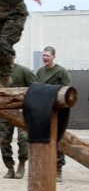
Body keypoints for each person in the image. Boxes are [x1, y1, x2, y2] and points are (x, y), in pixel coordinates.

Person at [0, 58, 38, 179]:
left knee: (23, 139)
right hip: (5, 112)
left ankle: (22, 163)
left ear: (14, 56)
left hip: (22, 112)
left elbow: (36, 87)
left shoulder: (23, 71)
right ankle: (9, 167)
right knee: (4, 140)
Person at [36, 46, 72, 182]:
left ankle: (58, 169)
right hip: (44, 110)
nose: (45, 58)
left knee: (58, 138)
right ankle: (45, 169)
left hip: (58, 111)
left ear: (53, 57)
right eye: (43, 56)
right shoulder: (40, 72)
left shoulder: (60, 71)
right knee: (43, 138)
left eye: (47, 56)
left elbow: (67, 89)